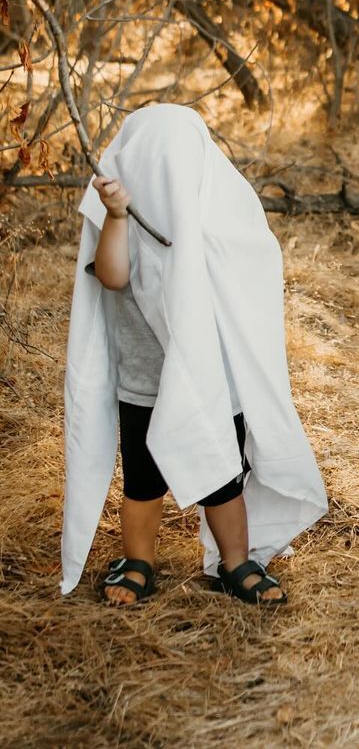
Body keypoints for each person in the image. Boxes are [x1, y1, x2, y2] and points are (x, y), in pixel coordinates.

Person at [62, 104, 327, 606]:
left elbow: (251, 275)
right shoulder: (124, 220)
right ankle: (138, 561)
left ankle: (236, 561)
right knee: (143, 483)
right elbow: (113, 277)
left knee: (223, 479)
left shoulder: (217, 214)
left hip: (211, 383)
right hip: (145, 384)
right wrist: (116, 216)